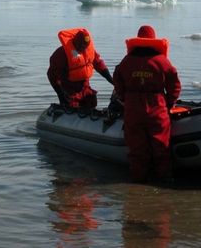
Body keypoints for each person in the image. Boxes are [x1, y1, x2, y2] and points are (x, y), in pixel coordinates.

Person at [112, 25, 181, 182]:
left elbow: (117, 81)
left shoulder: (127, 61)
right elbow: (174, 85)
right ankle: (164, 180)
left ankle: (138, 181)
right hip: (157, 107)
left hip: (133, 107)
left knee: (136, 149)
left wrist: (124, 98)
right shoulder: (162, 61)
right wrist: (170, 103)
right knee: (161, 147)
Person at [47, 27, 113, 110]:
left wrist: (110, 79)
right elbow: (51, 75)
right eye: (81, 46)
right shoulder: (62, 53)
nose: (83, 48)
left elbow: (99, 64)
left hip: (85, 86)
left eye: (85, 46)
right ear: (75, 42)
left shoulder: (89, 51)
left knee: (91, 102)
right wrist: (60, 95)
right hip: (69, 88)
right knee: (72, 106)